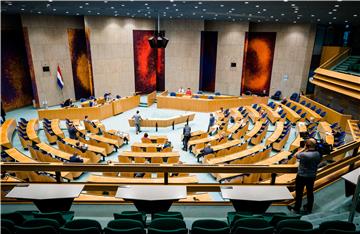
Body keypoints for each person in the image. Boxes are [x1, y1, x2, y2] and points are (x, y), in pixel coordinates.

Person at [288, 138, 321, 214]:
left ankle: (297, 209)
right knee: (310, 192)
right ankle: (309, 208)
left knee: (299, 193)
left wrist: (303, 148)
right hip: (312, 176)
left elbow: (295, 155)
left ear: (307, 145)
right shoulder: (318, 154)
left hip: (301, 176)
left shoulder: (304, 154)